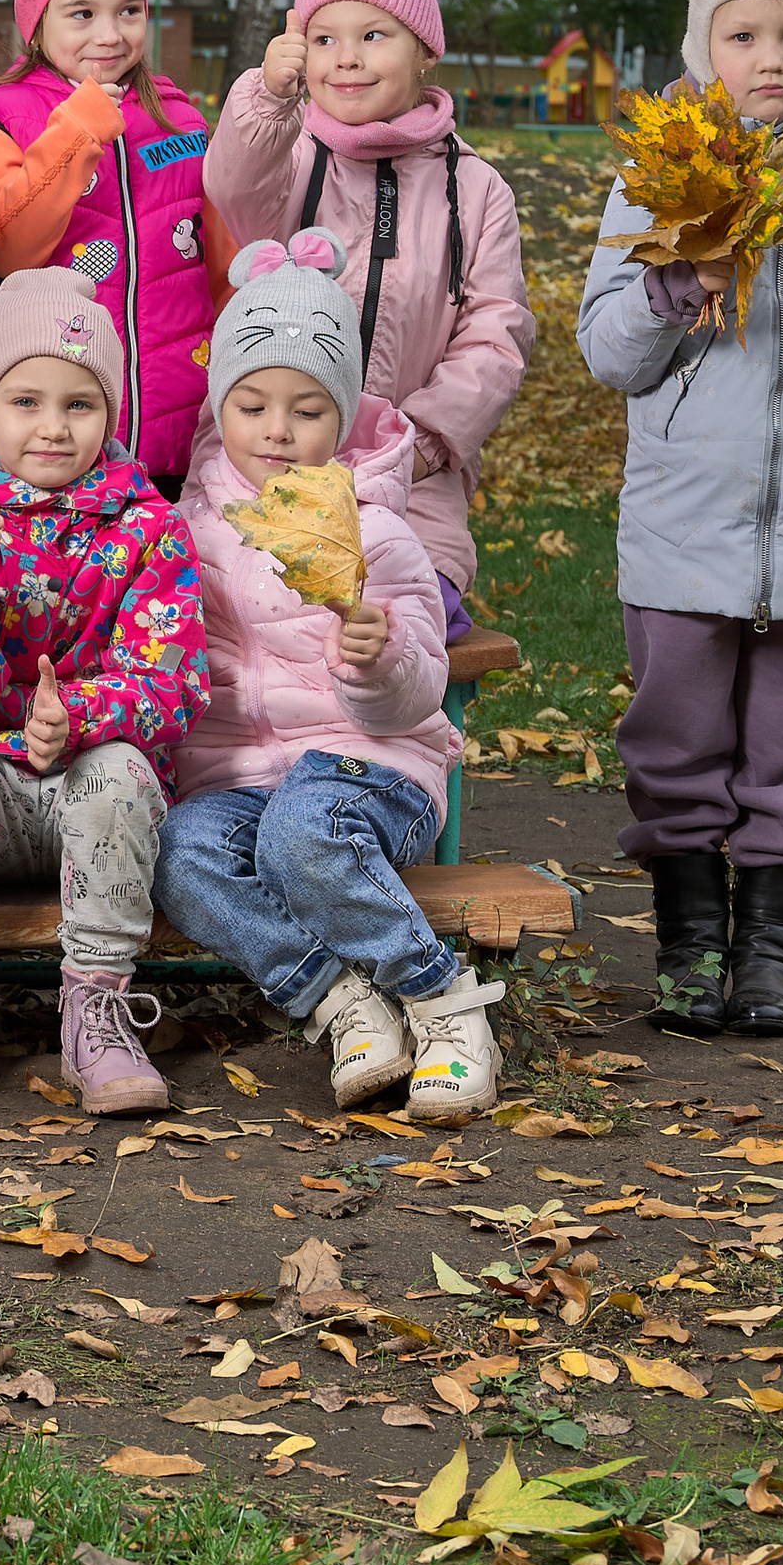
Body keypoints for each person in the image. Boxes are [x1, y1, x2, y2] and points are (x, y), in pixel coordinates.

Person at [154, 235, 502, 1121]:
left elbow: (417, 692)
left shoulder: (377, 533)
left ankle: (440, 1002)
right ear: (220, 407)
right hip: (238, 779)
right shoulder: (178, 535)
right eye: (253, 403)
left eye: (307, 409)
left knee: (306, 826)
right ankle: (341, 1001)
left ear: (343, 417)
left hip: (370, 771)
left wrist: (375, 656)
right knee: (180, 849)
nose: (277, 429)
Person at [577, 0, 783, 1039]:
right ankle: (690, 941)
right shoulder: (656, 179)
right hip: (687, 521)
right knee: (676, 737)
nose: (771, 58)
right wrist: (671, 283)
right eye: (744, 35)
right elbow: (607, 355)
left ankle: (771, 947)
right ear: (701, 47)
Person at [0, 270, 207, 1117]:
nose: (54, 428)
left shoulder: (151, 527)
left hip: (90, 786)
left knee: (122, 771)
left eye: (80, 404)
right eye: (25, 402)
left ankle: (98, 1010)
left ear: (112, 413)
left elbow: (173, 680)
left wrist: (85, 714)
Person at [204, 0, 534, 631]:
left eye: (374, 35)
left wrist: (427, 439)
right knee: (255, 614)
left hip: (411, 480)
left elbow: (497, 331)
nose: (345, 58)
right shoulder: (288, 158)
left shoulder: (472, 189)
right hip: (271, 457)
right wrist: (265, 99)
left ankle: (400, 747)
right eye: (323, 39)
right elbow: (232, 189)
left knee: (405, 615)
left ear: (424, 49)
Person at [0, 0, 223, 494]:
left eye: (129, 10)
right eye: (82, 14)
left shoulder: (181, 121)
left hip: (182, 425)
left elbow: (222, 266)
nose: (110, 35)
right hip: (62, 434)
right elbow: (6, 247)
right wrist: (76, 132)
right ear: (37, 22)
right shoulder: (2, 115)